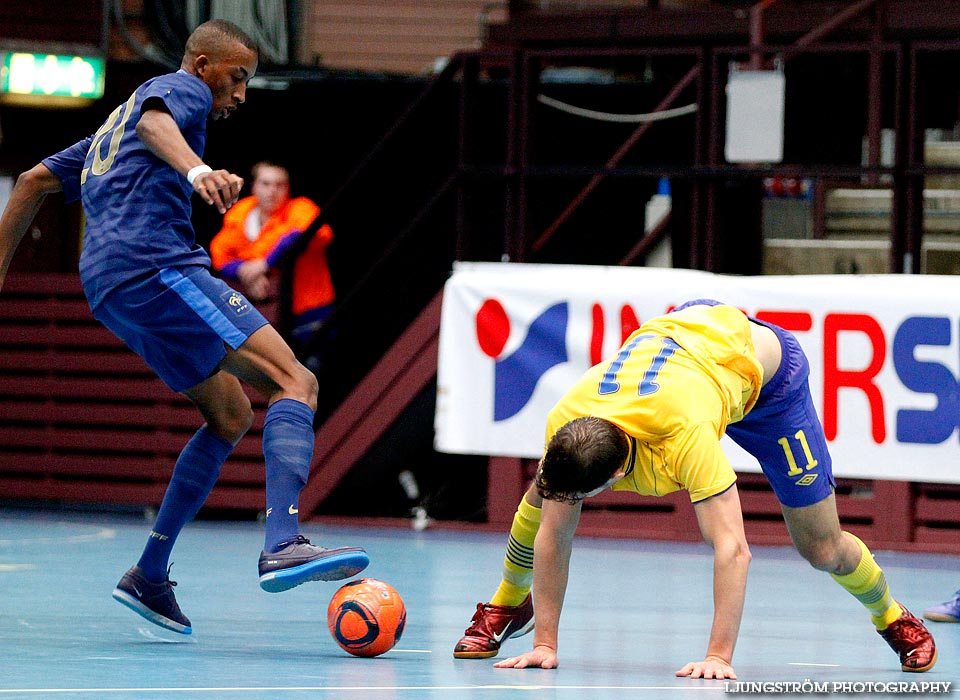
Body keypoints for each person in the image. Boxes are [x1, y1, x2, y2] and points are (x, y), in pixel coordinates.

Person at [0, 19, 368, 636]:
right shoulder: (176, 91)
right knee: (295, 380)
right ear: (203, 66)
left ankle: (149, 573)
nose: (240, 94)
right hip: (156, 266)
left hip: (107, 286)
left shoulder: (103, 135)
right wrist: (198, 172)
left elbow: (33, 182)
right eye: (237, 78)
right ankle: (283, 540)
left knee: (230, 415)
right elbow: (155, 120)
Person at [452, 300, 937, 677]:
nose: (573, 502)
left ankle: (891, 615)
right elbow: (554, 536)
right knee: (542, 496)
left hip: (766, 380)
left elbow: (733, 549)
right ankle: (508, 600)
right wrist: (545, 647)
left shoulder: (685, 436)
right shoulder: (568, 420)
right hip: (689, 338)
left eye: (582, 495)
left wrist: (717, 656)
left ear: (617, 479)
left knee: (822, 547)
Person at [209, 161, 336, 348]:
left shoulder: (300, 207)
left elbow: (307, 234)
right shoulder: (242, 212)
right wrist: (245, 273)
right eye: (266, 184)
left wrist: (265, 264)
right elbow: (219, 254)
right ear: (253, 186)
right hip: (266, 317)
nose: (272, 191)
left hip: (311, 314)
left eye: (280, 184)